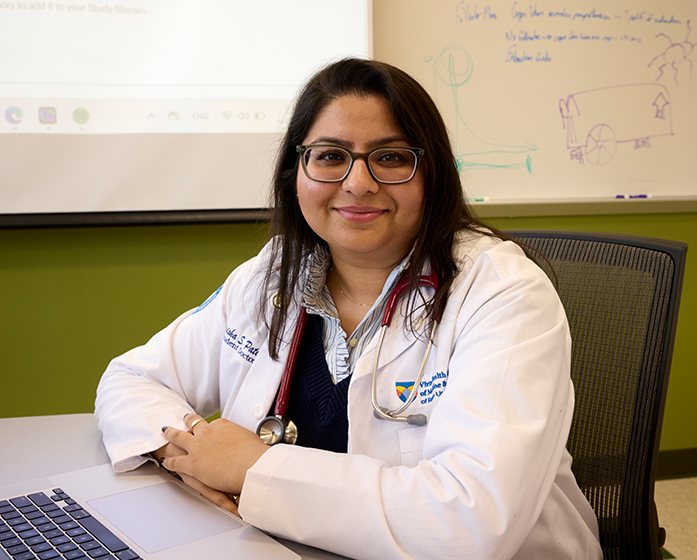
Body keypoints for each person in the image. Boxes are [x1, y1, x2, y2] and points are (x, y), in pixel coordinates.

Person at [95, 58, 602, 559]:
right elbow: (131, 381)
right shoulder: (274, 272)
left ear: (434, 174)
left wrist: (253, 469)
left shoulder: (503, 292)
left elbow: (472, 523)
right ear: (298, 171)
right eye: (331, 156)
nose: (358, 183)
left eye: (391, 157)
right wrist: (191, 452)